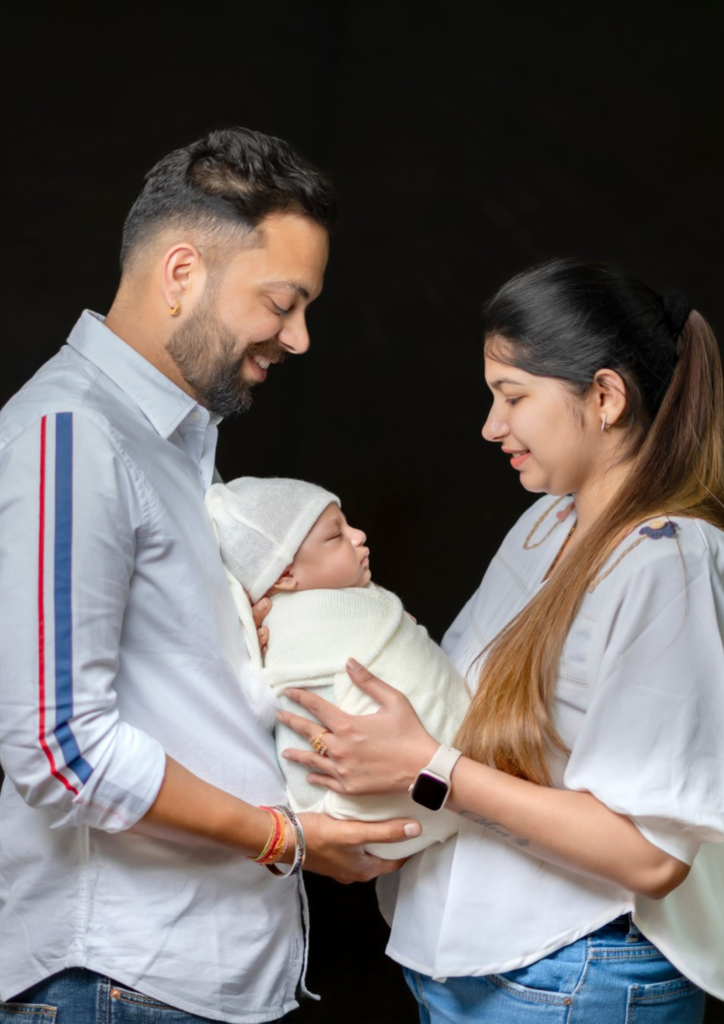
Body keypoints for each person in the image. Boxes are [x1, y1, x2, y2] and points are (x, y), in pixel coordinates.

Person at [0, 127, 422, 1024]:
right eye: (283, 302)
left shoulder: (179, 445)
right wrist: (287, 839)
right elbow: (58, 749)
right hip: (119, 978)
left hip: (202, 971)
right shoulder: (68, 435)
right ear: (182, 271)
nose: (300, 338)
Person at [278, 258, 724, 1023]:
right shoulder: (548, 521)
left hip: (574, 972)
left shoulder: (668, 561)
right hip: (477, 969)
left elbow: (650, 856)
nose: (490, 426)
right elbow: (458, 700)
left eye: (512, 396)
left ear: (607, 396)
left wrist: (427, 768)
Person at [205, 475, 471, 859]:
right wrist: (325, 814)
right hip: (403, 810)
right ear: (283, 575)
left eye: (348, 524)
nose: (359, 535)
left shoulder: (351, 603)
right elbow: (300, 745)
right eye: (336, 536)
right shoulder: (300, 644)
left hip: (460, 781)